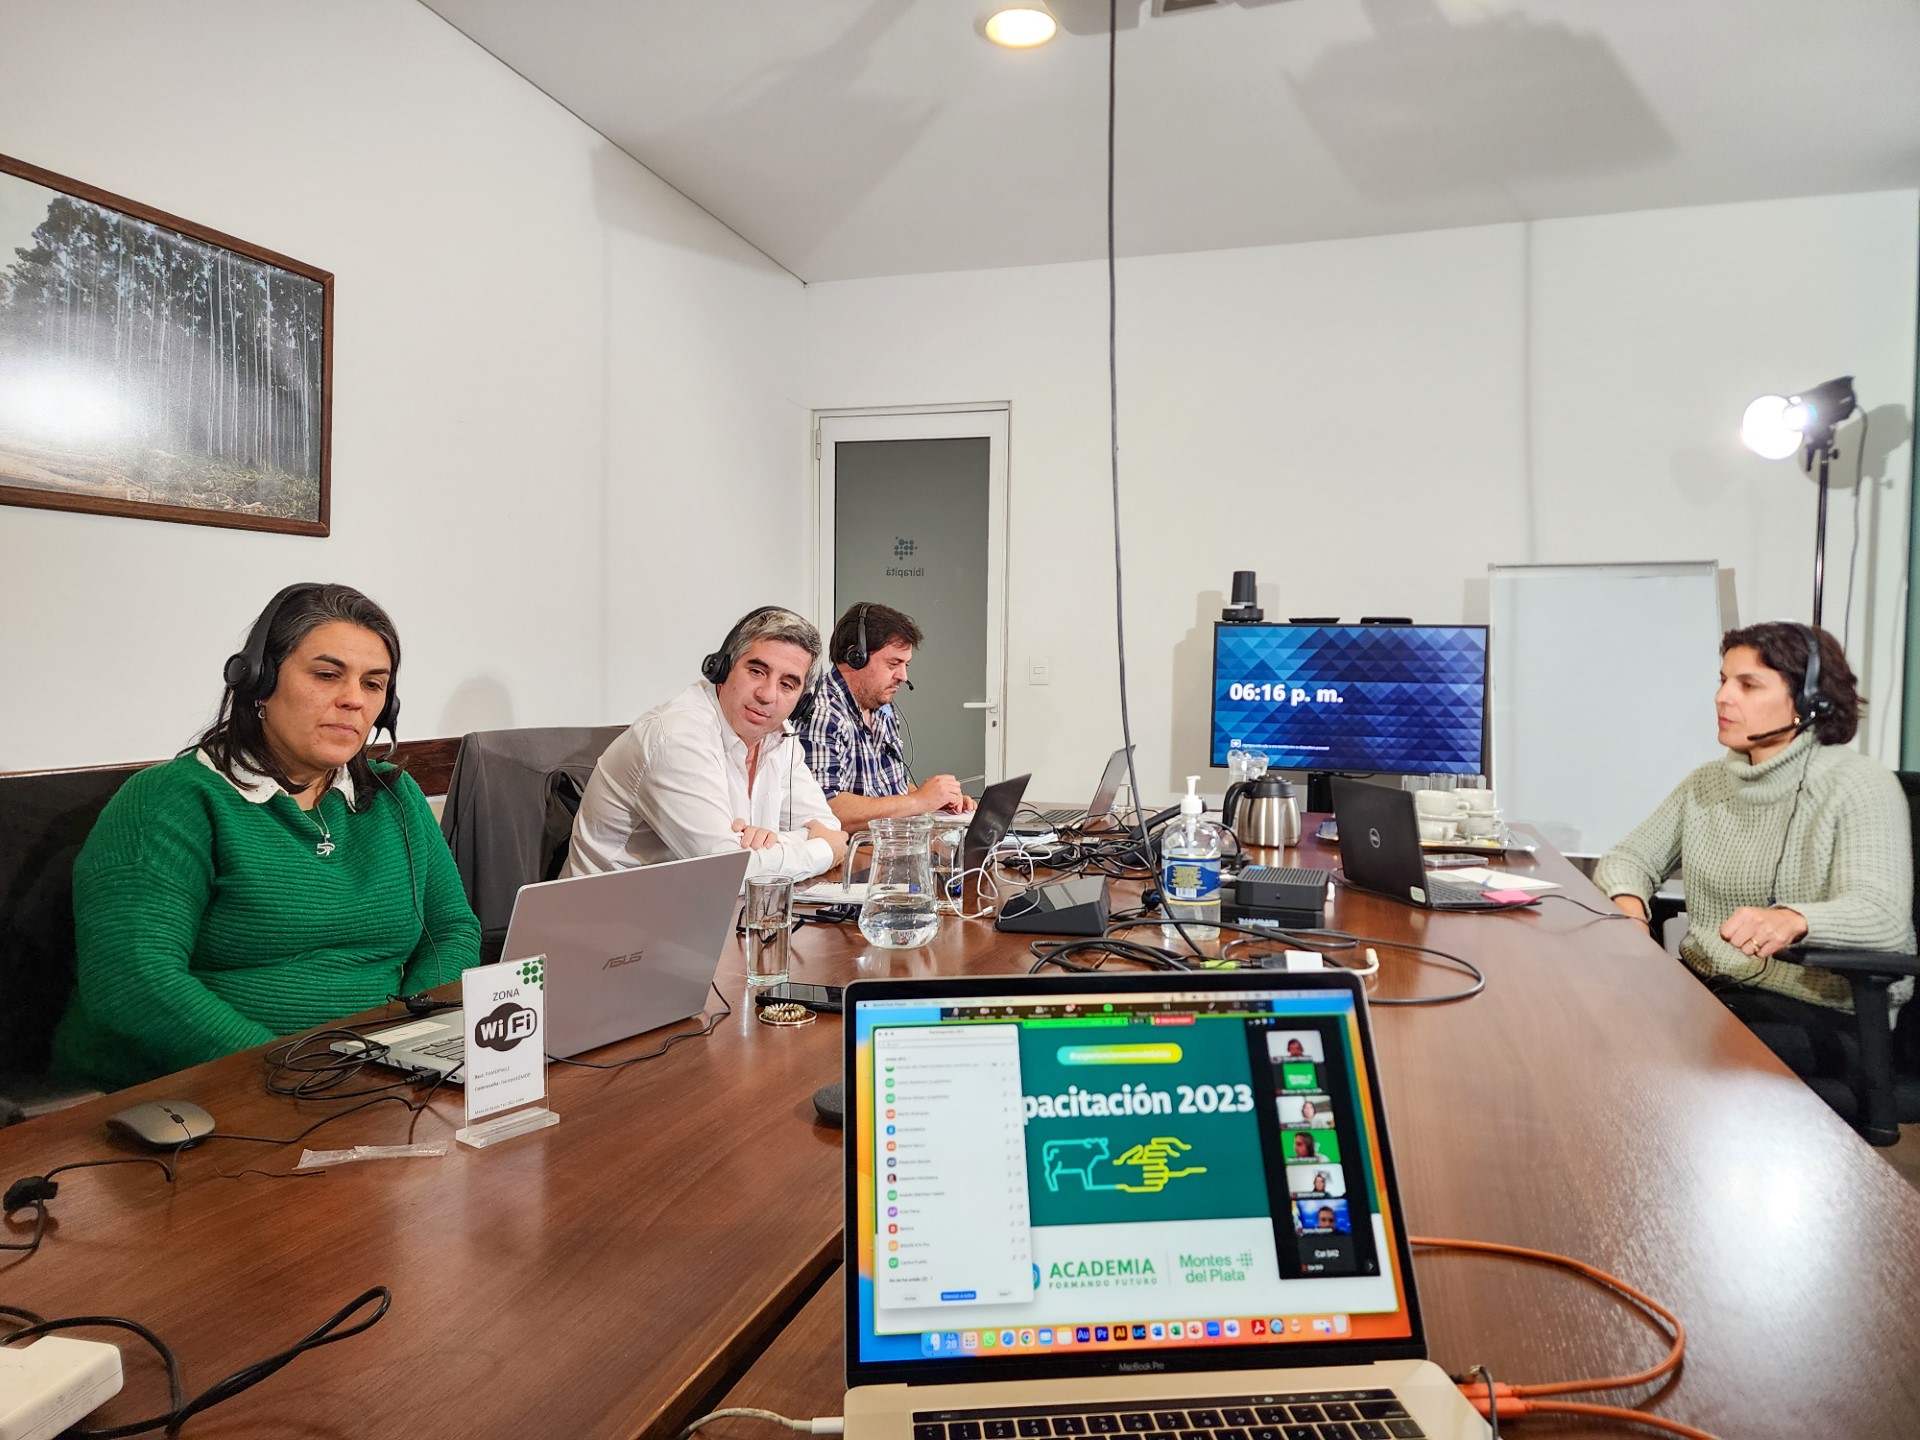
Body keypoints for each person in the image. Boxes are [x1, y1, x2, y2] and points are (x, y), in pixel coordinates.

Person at [51, 583, 481, 1091]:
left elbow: (452, 930)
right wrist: (289, 1072)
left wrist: (412, 1038)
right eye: (327, 675)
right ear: (260, 682)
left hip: (373, 1075)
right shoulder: (171, 799)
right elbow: (133, 981)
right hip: (205, 1086)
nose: (353, 700)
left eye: (373, 684)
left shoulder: (395, 796)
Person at [1595, 622, 1914, 1062]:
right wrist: (1631, 913)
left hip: (1823, 1014)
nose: (1723, 697)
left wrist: (1794, 919)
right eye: (1724, 680)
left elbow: (1881, 916)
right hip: (1713, 990)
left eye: (1748, 685)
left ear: (1809, 701)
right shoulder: (1708, 782)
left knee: (1641, 1046)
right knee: (1584, 1014)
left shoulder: (1859, 784)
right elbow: (1628, 858)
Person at [565, 606, 849, 883]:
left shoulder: (780, 737)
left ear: (802, 701)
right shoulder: (677, 737)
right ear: (722, 668)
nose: (767, 695)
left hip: (694, 905)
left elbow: (827, 826)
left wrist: (771, 841)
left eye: (787, 685)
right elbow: (728, 872)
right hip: (606, 910)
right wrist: (822, 850)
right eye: (757, 671)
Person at [799, 602, 976, 827]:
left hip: (889, 842)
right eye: (894, 664)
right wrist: (919, 801)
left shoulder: (881, 707)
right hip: (849, 848)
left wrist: (936, 801)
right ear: (856, 657)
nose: (903, 676)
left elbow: (893, 788)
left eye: (905, 665)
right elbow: (826, 809)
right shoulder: (822, 713)